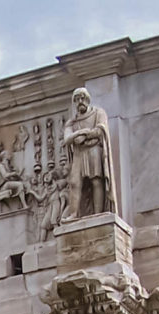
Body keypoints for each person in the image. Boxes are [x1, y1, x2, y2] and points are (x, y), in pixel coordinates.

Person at [62, 86, 115, 220]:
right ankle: (74, 213)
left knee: (96, 180)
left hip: (94, 150)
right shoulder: (71, 122)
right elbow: (67, 139)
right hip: (79, 153)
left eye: (83, 98)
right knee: (74, 183)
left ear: (88, 100)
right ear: (74, 102)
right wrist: (80, 133)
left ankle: (98, 213)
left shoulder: (98, 113)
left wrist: (84, 135)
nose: (80, 101)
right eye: (77, 99)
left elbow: (100, 130)